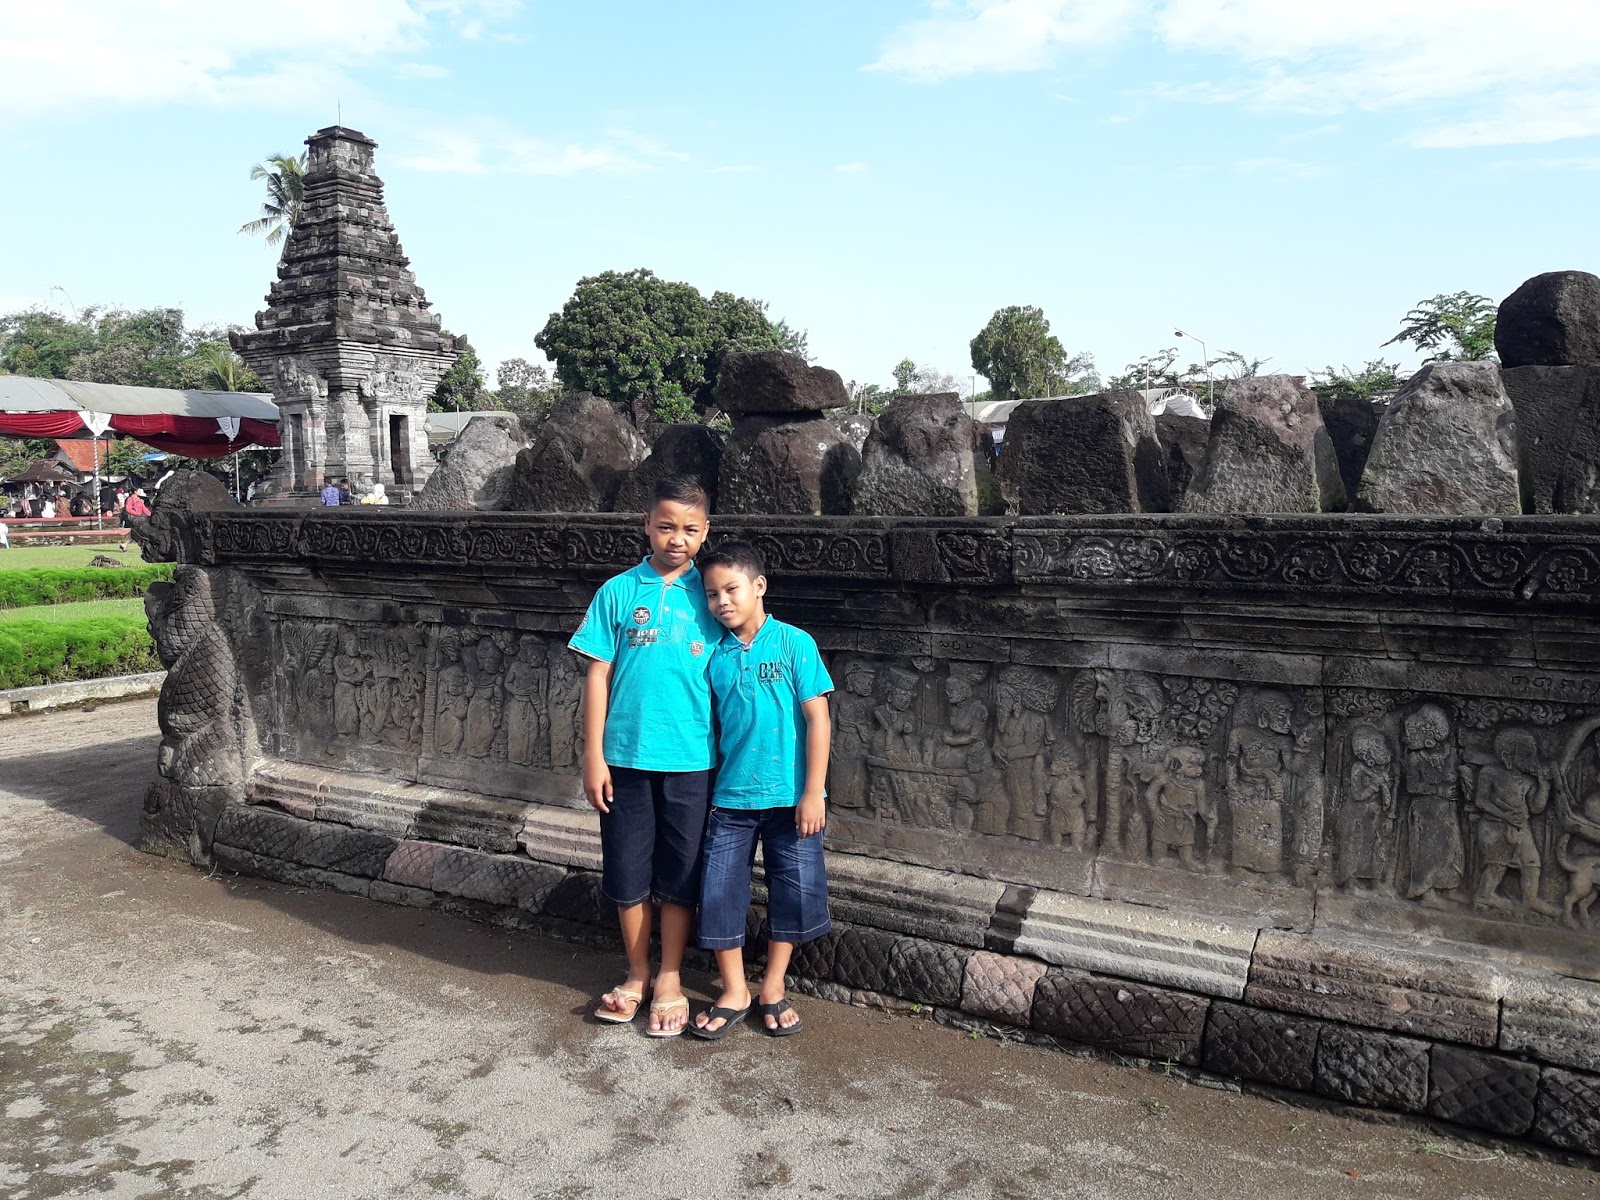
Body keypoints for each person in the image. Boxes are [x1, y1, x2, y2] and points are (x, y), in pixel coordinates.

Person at [569, 474, 721, 1037]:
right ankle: (636, 973)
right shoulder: (618, 591)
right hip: (626, 756)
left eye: (688, 529)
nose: (675, 539)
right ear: (646, 527)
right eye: (664, 526)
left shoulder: (710, 594)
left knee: (680, 873)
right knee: (628, 869)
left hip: (692, 757)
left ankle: (672, 976)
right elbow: (598, 673)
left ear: (705, 533)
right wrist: (593, 755)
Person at [691, 538, 833, 1040]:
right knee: (718, 889)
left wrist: (813, 791)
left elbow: (818, 719)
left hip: (791, 798)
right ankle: (734, 988)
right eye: (711, 594)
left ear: (759, 586)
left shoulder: (794, 643)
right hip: (730, 796)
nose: (722, 602)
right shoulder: (712, 653)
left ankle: (773, 983)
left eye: (731, 589)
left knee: (793, 889)